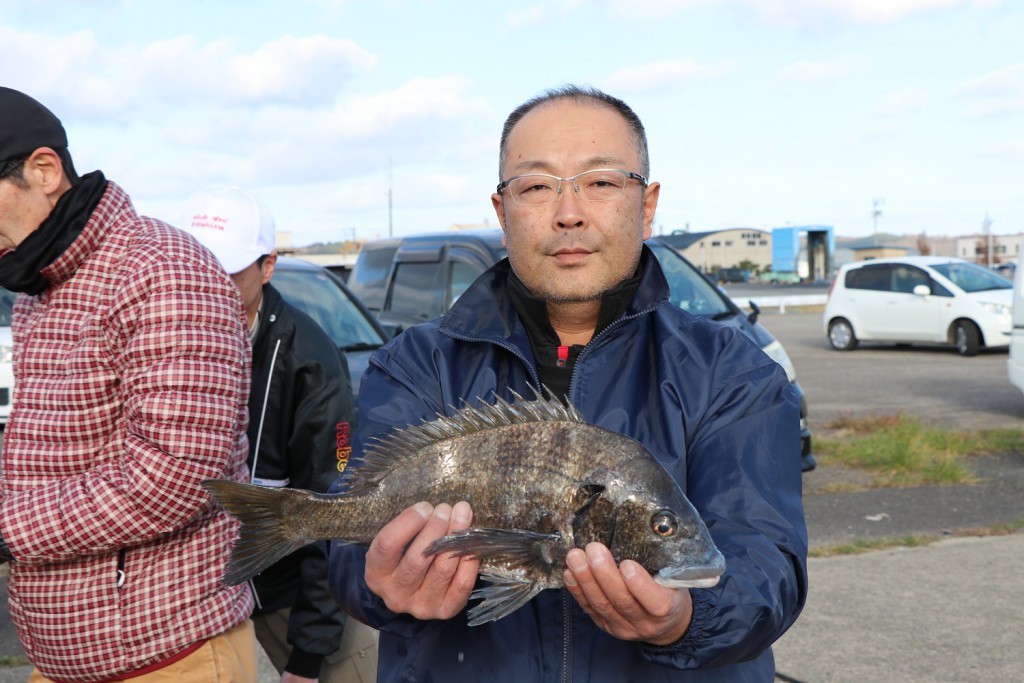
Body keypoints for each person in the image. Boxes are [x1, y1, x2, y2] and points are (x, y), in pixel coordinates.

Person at [328, 85, 808, 682]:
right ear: (503, 215)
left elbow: (769, 561)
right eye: (536, 186)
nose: (569, 212)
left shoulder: (734, 373)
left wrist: (689, 617)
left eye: (601, 182)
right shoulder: (413, 365)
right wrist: (379, 585)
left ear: (648, 203)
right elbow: (347, 536)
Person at [0, 88, 257, 680]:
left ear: (43, 171)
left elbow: (174, 479)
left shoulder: (163, 270)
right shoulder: (43, 283)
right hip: (69, 660)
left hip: (167, 657)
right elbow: (56, 454)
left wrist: (6, 528)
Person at [182, 186, 379, 683]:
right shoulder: (168, 337)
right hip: (189, 588)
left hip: (284, 585)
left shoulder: (310, 360)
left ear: (267, 266)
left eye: (225, 269)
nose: (206, 281)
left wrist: (310, 654)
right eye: (193, 263)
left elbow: (333, 506)